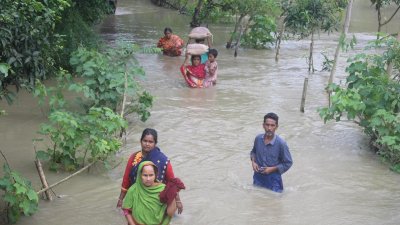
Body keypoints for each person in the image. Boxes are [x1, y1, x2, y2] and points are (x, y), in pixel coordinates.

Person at [117, 128, 183, 214]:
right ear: (140, 141)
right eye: (145, 141)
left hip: (157, 200)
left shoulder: (163, 160)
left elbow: (172, 182)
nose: (147, 144)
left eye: (150, 142)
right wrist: (120, 200)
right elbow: (126, 180)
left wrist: (178, 201)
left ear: (155, 143)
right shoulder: (134, 158)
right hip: (138, 199)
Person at [122, 161, 185, 225]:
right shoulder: (133, 190)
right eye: (145, 175)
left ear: (155, 175)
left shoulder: (163, 189)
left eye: (151, 175)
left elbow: (170, 213)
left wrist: (174, 194)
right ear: (140, 175)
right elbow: (126, 211)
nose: (148, 179)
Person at [250, 112, 293, 193]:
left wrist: (272, 169)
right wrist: (253, 162)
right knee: (257, 200)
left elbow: (288, 163)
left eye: (272, 125)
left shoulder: (281, 143)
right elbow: (253, 152)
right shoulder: (258, 139)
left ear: (276, 127)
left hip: (274, 180)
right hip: (258, 177)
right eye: (267, 125)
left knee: (275, 202)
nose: (269, 128)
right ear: (263, 125)